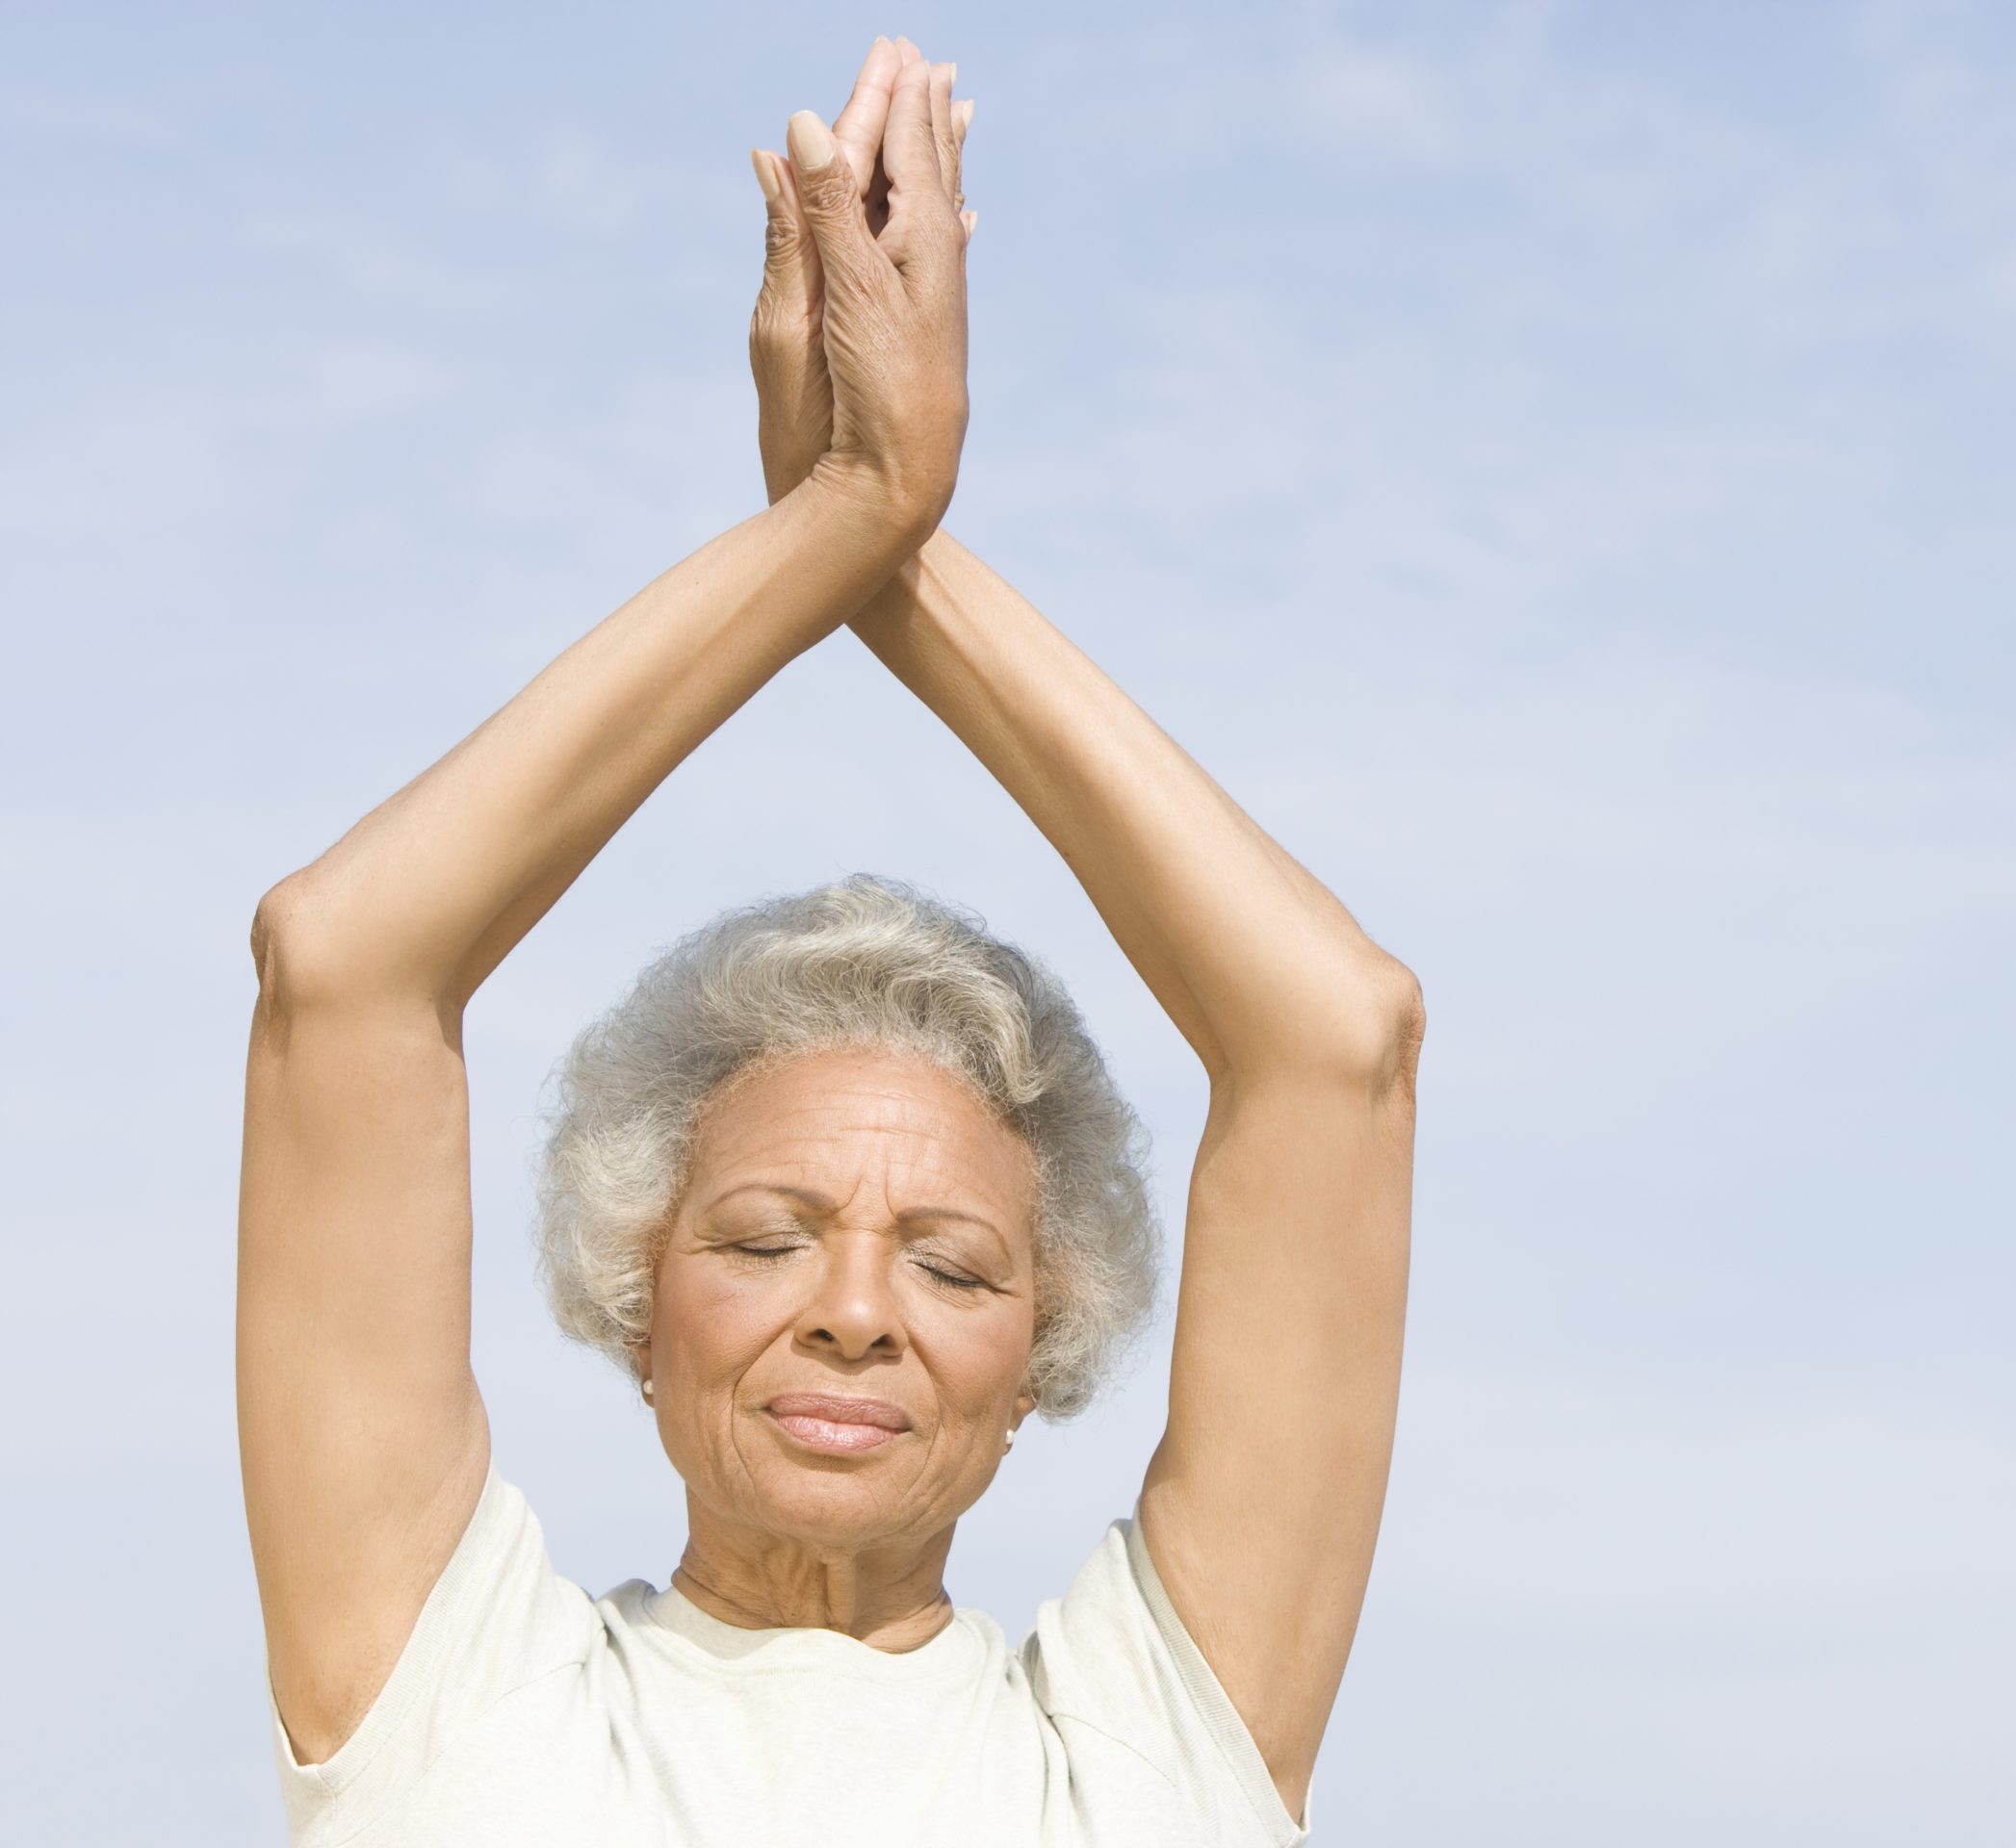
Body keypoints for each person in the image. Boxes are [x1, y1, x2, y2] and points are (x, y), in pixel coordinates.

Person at [237, 38, 1422, 1846]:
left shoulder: (1150, 1748)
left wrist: (886, 538)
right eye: (766, 1238)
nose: (855, 1316)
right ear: (641, 1303)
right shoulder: (450, 1703)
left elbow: (1339, 1039)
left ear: (1048, 1348)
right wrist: (843, 524)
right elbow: (342, 969)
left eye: (952, 1268)